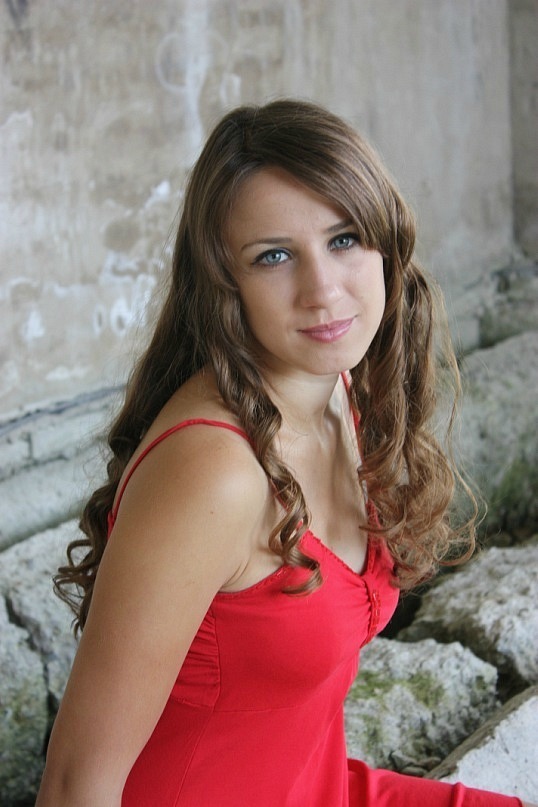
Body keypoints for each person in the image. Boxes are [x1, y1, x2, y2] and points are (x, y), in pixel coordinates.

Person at [36, 99, 535, 807]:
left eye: (345, 238)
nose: (322, 291)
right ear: (224, 285)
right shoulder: (216, 472)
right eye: (273, 256)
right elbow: (73, 784)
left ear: (386, 244)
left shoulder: (337, 388)